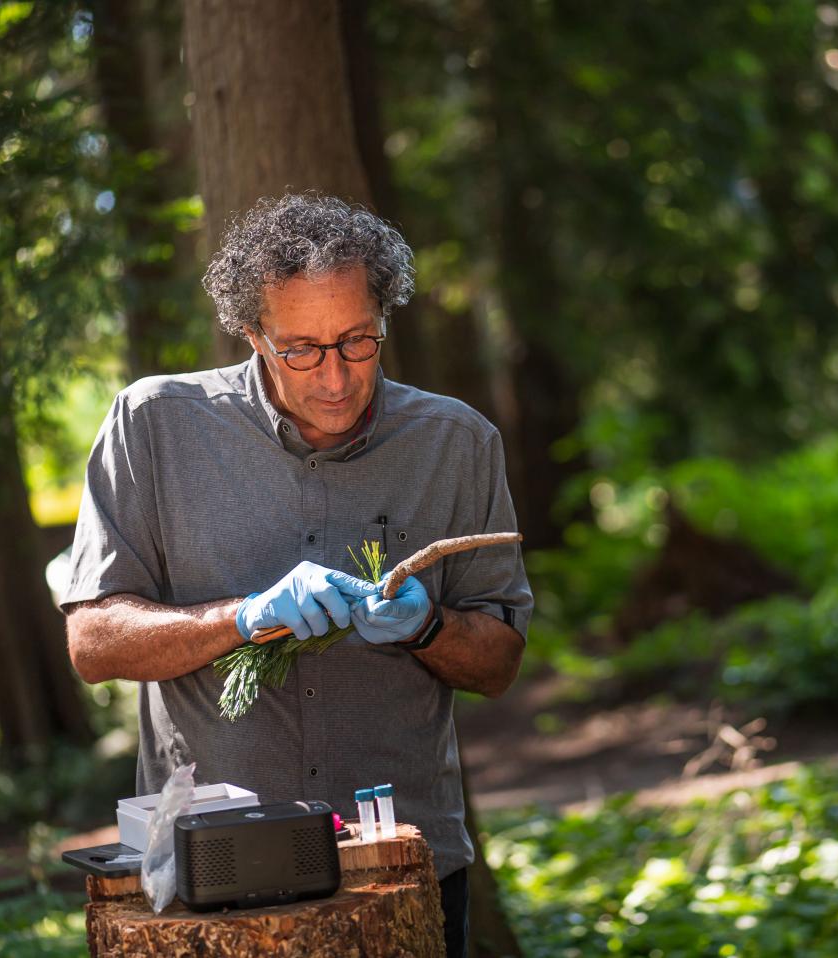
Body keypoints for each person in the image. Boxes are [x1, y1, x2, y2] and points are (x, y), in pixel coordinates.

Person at [61, 193, 531, 957]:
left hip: (400, 869)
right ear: (252, 334)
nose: (336, 378)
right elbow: (93, 642)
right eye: (301, 349)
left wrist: (428, 626)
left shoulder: (456, 444)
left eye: (356, 342)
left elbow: (501, 663)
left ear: (385, 321)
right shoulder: (154, 427)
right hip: (211, 872)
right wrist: (243, 618)